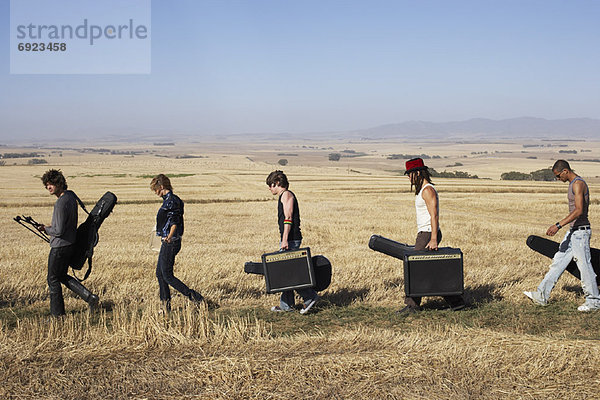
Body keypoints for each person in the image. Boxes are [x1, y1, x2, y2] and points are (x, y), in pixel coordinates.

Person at [524, 160, 600, 311]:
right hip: (573, 231)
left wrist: (558, 225)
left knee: (584, 266)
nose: (558, 179)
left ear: (565, 171)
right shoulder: (572, 184)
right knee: (558, 261)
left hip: (581, 232)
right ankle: (541, 295)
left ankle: (593, 302)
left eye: (558, 176)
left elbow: (579, 210)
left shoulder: (578, 184)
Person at [398, 158, 466, 314]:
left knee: (415, 269)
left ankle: (412, 306)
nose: (409, 178)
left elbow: (434, 215)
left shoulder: (428, 190)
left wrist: (433, 238)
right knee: (430, 269)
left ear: (417, 173)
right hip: (425, 232)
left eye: (410, 174)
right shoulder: (423, 190)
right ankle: (456, 302)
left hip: (428, 233)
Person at [37, 169, 99, 317]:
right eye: (47, 185)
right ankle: (90, 298)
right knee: (62, 276)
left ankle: (57, 316)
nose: (49, 187)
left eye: (51, 184)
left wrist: (45, 229)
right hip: (70, 243)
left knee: (52, 279)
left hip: (60, 246)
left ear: (59, 183)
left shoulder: (61, 202)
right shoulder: (71, 196)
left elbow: (58, 230)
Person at [266, 170, 319, 314]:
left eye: (270, 186)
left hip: (291, 238)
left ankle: (310, 297)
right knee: (286, 271)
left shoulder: (287, 195)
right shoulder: (283, 196)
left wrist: (285, 239)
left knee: (290, 272)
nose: (270, 189)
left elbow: (288, 218)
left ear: (276, 183)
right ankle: (286, 305)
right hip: (289, 238)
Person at [151, 174, 204, 312]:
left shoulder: (171, 201)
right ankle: (165, 305)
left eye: (156, 190)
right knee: (160, 273)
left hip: (171, 241)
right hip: (168, 240)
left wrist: (169, 236)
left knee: (167, 275)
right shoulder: (171, 200)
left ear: (161, 187)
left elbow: (175, 221)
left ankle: (196, 298)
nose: (155, 193)